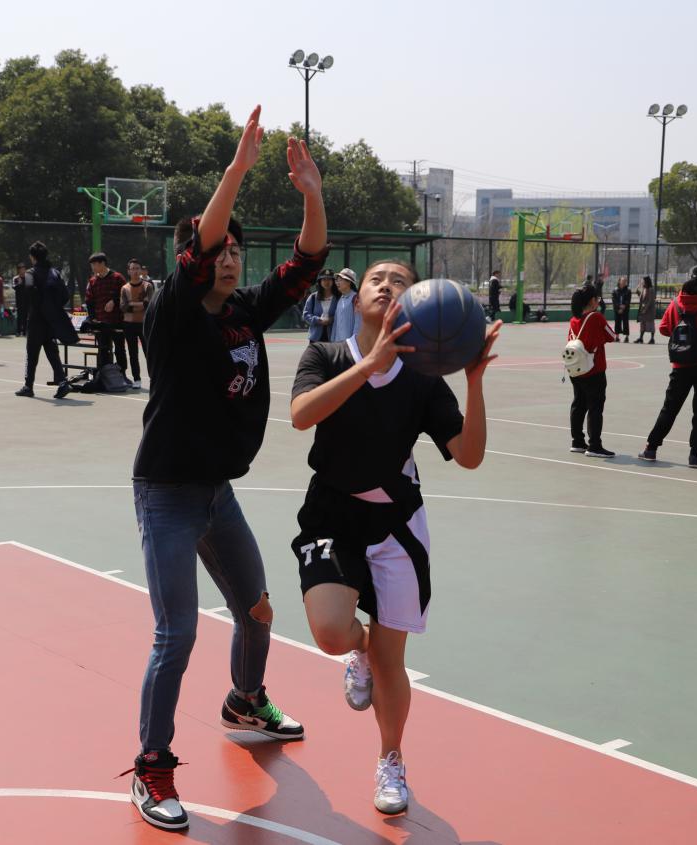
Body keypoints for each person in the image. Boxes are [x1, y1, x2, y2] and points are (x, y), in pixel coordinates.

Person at [125, 107, 325, 832]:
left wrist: (311, 194)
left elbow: (306, 263)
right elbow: (201, 243)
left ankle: (245, 700)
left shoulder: (245, 311)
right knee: (176, 634)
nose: (232, 257)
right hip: (166, 493)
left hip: (216, 493)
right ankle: (152, 765)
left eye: (239, 249)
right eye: (221, 249)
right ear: (195, 260)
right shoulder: (173, 312)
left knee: (257, 608)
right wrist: (237, 170)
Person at [289, 259, 499, 816]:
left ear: (413, 302)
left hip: (396, 525)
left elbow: (469, 456)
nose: (386, 286)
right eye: (376, 280)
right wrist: (369, 366)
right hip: (332, 515)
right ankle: (357, 648)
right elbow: (301, 415)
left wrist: (474, 382)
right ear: (356, 298)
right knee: (332, 633)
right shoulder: (326, 356)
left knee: (391, 662)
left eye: (400, 281)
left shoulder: (423, 379)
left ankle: (391, 758)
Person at [638, 264, 697, 468]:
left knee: (670, 407)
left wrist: (682, 335)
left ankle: (651, 448)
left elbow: (663, 328)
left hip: (681, 364)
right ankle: (695, 455)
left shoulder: (677, 303)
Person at [15, 241, 76, 399]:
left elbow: (29, 288)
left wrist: (38, 305)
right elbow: (65, 294)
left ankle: (28, 386)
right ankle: (62, 382)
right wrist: (52, 308)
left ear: (32, 257)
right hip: (51, 319)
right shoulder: (55, 272)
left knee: (32, 353)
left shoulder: (30, 273)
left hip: (36, 319)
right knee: (52, 351)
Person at [567, 284, 617, 457]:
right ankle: (594, 445)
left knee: (578, 404)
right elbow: (612, 336)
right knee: (595, 407)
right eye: (598, 299)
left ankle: (577, 441)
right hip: (594, 369)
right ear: (592, 300)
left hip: (576, 368)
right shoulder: (596, 317)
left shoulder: (574, 320)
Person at [85, 252, 129, 383]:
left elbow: (125, 296)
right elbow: (89, 301)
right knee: (103, 350)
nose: (92, 267)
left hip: (117, 321)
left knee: (120, 349)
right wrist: (92, 318)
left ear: (102, 264)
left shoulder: (118, 278)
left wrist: (114, 301)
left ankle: (122, 375)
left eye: (94, 264)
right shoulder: (92, 281)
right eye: (92, 265)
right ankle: (104, 377)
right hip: (100, 323)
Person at [119, 258, 153, 386]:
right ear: (128, 271)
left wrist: (131, 304)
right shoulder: (124, 288)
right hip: (129, 324)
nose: (135, 271)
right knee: (133, 353)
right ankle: (137, 379)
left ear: (141, 270)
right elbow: (123, 307)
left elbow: (148, 304)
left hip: (144, 323)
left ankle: (153, 377)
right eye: (132, 269)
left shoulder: (147, 286)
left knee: (148, 352)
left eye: (137, 268)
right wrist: (140, 304)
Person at [302, 269, 338, 342]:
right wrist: (318, 320)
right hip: (315, 338)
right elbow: (306, 315)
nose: (326, 282)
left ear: (333, 281)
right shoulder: (313, 297)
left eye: (329, 279)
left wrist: (332, 319)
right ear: (320, 282)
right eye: (324, 279)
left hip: (333, 337)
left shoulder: (338, 298)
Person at [330, 267, 361, 343]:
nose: (337, 283)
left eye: (340, 280)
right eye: (337, 280)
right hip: (338, 344)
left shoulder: (356, 298)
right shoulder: (340, 299)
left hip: (349, 344)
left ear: (349, 282)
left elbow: (358, 323)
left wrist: (353, 342)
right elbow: (336, 323)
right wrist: (333, 341)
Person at [634, 276, 656, 344]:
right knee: (642, 324)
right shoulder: (644, 289)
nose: (642, 282)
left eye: (643, 281)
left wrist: (645, 309)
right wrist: (637, 289)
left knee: (650, 324)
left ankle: (652, 339)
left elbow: (650, 300)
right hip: (643, 310)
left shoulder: (651, 289)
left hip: (649, 311)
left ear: (646, 281)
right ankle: (641, 338)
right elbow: (641, 297)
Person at [611, 276, 631, 342]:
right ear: (619, 281)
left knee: (625, 322)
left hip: (625, 309)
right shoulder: (615, 290)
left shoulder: (628, 290)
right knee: (617, 322)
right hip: (617, 309)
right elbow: (614, 300)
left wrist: (624, 306)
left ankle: (626, 337)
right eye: (622, 281)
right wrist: (619, 307)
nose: (624, 282)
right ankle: (617, 337)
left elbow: (628, 300)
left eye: (625, 281)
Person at [12, 263, 30, 336]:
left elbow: (30, 288)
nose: (23, 270)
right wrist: (19, 283)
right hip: (19, 300)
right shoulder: (16, 278)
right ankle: (18, 331)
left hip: (27, 300)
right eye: (21, 269)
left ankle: (25, 331)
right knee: (19, 316)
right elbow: (14, 287)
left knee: (26, 316)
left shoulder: (28, 278)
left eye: (24, 269)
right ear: (18, 270)